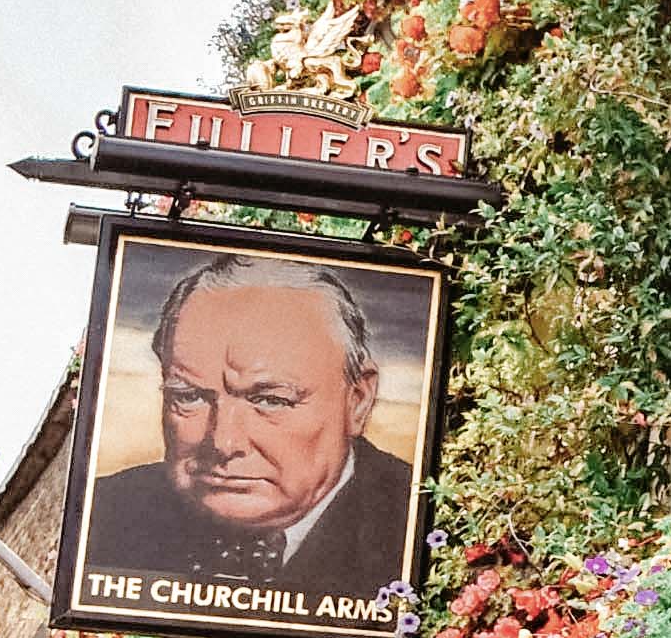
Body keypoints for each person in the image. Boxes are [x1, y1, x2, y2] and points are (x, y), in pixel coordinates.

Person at [81, 255, 419, 616]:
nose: (224, 443)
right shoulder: (104, 516)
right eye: (189, 397)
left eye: (270, 400)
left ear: (358, 400)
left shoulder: (419, 526)